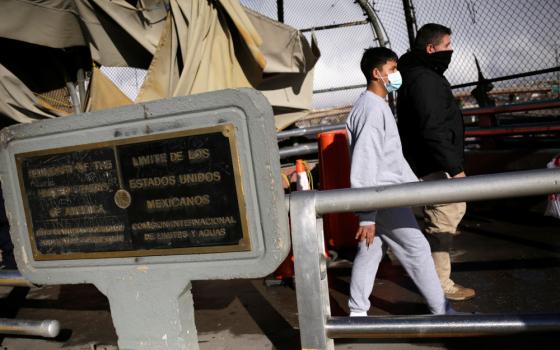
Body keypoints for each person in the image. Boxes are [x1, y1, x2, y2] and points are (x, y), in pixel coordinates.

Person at [347, 47, 448, 316]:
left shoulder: (372, 106)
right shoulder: (372, 110)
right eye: (392, 70)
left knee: (369, 252)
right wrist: (366, 214)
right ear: (376, 73)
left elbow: (389, 157)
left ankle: (357, 313)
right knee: (417, 249)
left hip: (382, 194)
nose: (397, 75)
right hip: (383, 195)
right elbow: (365, 161)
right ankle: (442, 312)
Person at [397, 23, 475, 301]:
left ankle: (436, 280)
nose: (451, 50)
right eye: (447, 45)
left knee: (445, 216)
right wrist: (454, 168)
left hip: (433, 160)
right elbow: (432, 127)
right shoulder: (424, 79)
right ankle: (439, 286)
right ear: (431, 49)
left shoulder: (420, 74)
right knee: (443, 218)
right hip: (435, 163)